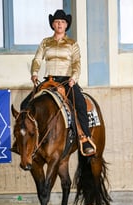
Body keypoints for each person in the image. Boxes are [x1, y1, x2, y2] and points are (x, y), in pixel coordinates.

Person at [15, 9, 96, 156]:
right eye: (57, 22)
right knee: (24, 105)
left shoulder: (72, 44)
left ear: (66, 25)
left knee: (80, 104)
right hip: (49, 80)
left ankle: (85, 138)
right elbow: (37, 59)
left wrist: (74, 78)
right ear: (53, 24)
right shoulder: (45, 42)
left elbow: (77, 62)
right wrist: (34, 73)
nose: (59, 24)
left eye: (62, 22)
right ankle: (21, 140)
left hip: (66, 81)